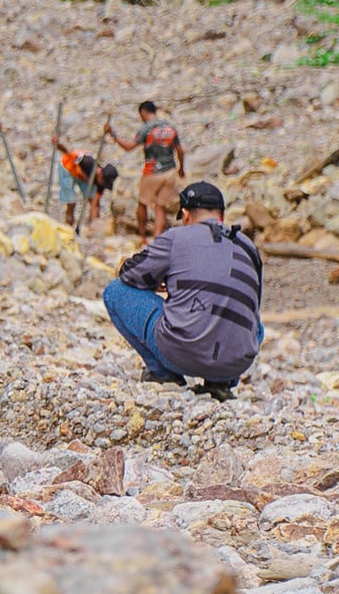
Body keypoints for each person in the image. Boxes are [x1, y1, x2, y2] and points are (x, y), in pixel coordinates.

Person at [104, 181, 262, 397]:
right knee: (254, 321)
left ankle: (163, 374)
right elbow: (251, 302)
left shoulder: (176, 238)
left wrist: (161, 282)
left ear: (186, 215)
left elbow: (130, 275)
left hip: (182, 354)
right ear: (222, 216)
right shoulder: (249, 247)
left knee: (115, 291)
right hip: (236, 362)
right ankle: (220, 384)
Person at [109, 101, 187, 241]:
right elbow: (180, 151)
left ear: (143, 112)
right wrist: (181, 168)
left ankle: (143, 236)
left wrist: (113, 135)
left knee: (143, 203)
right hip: (170, 171)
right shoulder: (170, 127)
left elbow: (128, 147)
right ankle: (157, 236)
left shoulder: (146, 129)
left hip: (152, 171)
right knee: (160, 206)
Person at [52, 137, 119, 228]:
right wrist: (58, 145)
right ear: (100, 175)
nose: (103, 185)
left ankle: (92, 224)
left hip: (82, 176)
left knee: (92, 198)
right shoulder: (87, 162)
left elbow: (95, 203)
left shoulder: (101, 183)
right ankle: (69, 228)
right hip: (67, 168)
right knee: (71, 202)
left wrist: (95, 226)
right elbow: (69, 153)